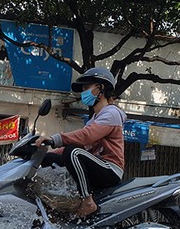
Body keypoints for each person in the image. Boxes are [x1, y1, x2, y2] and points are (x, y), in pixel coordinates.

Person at [35, 67, 126, 217]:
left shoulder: (112, 113)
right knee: (49, 158)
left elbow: (85, 137)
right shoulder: (94, 118)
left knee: (73, 152)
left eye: (86, 87)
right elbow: (83, 145)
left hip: (109, 169)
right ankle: (55, 206)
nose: (83, 92)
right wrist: (42, 153)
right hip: (95, 165)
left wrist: (55, 139)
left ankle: (87, 200)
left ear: (100, 88)